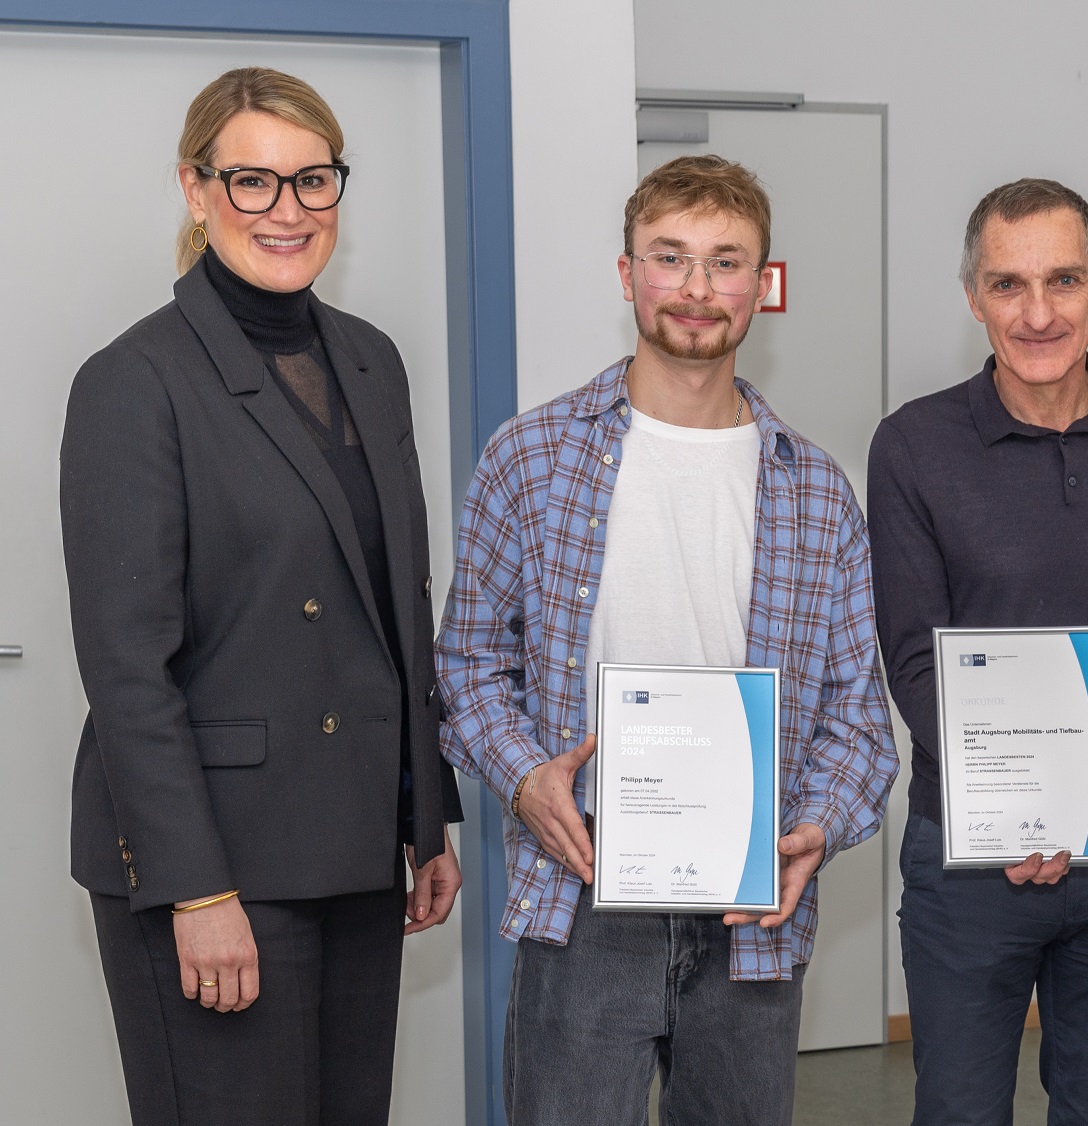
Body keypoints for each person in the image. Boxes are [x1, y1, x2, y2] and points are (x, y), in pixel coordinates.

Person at [435, 154, 896, 1126]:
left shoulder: (815, 492)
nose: (695, 289)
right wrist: (524, 776)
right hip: (585, 891)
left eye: (726, 262)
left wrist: (815, 827)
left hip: (752, 909)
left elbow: (858, 718)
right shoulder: (531, 458)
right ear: (625, 273)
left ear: (761, 286)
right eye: (669, 257)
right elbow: (470, 664)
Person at [60, 67, 464, 1126]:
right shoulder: (134, 380)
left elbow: (392, 608)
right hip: (217, 865)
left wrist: (426, 819)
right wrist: (195, 890)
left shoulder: (371, 362)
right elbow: (126, 669)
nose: (288, 211)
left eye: (313, 180)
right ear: (196, 190)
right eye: (252, 181)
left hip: (354, 851)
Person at [869, 177, 1088, 1126]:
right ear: (973, 295)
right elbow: (912, 661)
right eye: (1007, 284)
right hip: (972, 856)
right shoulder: (912, 446)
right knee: (960, 1111)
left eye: (1062, 280)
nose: (1036, 313)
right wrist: (1014, 811)